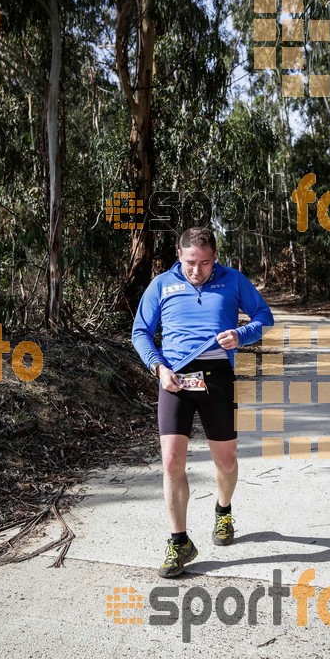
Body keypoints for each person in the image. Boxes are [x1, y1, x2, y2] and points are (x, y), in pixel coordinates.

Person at [132, 227, 274, 577]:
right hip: (174, 378)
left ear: (215, 258)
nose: (197, 271)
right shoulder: (162, 285)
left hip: (217, 378)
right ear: (179, 256)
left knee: (226, 462)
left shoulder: (234, 280)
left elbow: (264, 319)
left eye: (205, 263)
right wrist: (158, 367)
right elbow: (141, 332)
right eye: (190, 263)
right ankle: (179, 541)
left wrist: (240, 334)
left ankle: (223, 510)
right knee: (171, 461)